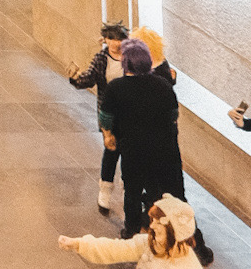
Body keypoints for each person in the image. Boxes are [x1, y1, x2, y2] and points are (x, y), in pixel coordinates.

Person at [106, 42, 196, 247]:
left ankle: (131, 230)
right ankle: (167, 229)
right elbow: (173, 115)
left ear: (125, 62)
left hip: (133, 150)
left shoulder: (116, 87)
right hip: (163, 150)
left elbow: (106, 117)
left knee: (133, 190)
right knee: (162, 190)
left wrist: (109, 135)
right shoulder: (163, 85)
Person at [70, 21, 131, 212]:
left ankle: (129, 189)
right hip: (109, 114)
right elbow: (89, 78)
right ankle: (105, 192)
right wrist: (75, 78)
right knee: (111, 152)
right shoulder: (101, 58)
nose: (115, 43)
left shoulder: (131, 57)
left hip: (130, 113)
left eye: (119, 39)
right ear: (105, 40)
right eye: (111, 38)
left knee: (130, 153)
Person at [59, 194, 199, 261]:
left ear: (174, 230)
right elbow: (115, 249)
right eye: (152, 220)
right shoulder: (150, 244)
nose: (151, 225)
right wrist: (78, 244)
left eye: (158, 222)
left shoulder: (187, 265)